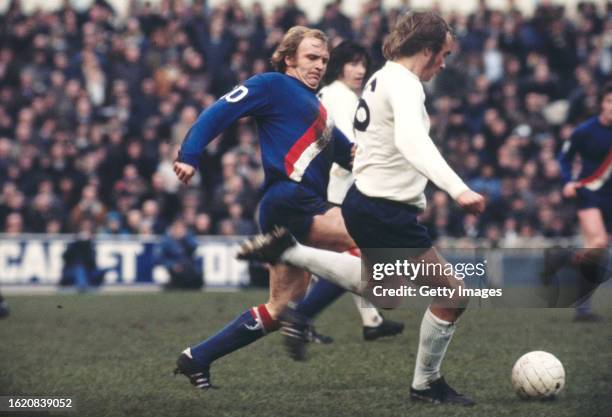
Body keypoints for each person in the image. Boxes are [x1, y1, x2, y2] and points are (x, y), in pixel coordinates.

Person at [238, 11, 485, 406]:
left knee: (382, 291)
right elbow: (411, 141)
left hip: (365, 204)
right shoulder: (405, 84)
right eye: (444, 54)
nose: (444, 62)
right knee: (452, 294)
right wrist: (457, 189)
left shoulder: (381, 76)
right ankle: (426, 385)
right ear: (426, 49)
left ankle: (292, 251)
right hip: (386, 210)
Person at [172, 26, 359, 389]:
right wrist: (190, 155)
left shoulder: (319, 108)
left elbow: (350, 155)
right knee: (369, 240)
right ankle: (303, 317)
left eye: (324, 60)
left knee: (278, 309)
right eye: (311, 57)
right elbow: (218, 111)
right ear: (289, 58)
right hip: (290, 201)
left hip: (296, 206)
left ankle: (197, 357)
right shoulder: (272, 85)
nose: (320, 65)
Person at [296, 40, 404, 344]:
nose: (359, 70)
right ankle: (301, 316)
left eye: (362, 64)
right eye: (352, 63)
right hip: (335, 189)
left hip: (332, 187)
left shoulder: (338, 95)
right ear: (339, 65)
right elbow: (348, 146)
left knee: (345, 258)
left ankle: (369, 320)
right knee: (357, 258)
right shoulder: (337, 97)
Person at [557, 81, 612, 321]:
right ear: (602, 103)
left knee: (598, 255)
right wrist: (568, 180)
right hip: (589, 192)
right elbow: (564, 158)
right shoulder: (586, 130)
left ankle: (582, 306)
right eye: (610, 101)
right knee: (598, 243)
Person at [60, 219, 109, 292]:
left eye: (88, 228)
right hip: (73, 271)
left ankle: (91, 286)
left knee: (103, 270)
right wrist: (79, 242)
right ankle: (82, 287)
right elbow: (66, 257)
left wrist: (86, 244)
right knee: (79, 269)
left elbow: (91, 262)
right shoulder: (74, 244)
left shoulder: (91, 246)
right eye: (85, 228)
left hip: (88, 272)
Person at [158, 218, 203, 290]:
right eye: (177, 228)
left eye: (181, 228)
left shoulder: (188, 237)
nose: (179, 230)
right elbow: (160, 257)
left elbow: (194, 246)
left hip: (188, 267)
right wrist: (172, 265)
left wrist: (185, 238)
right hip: (174, 268)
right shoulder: (167, 241)